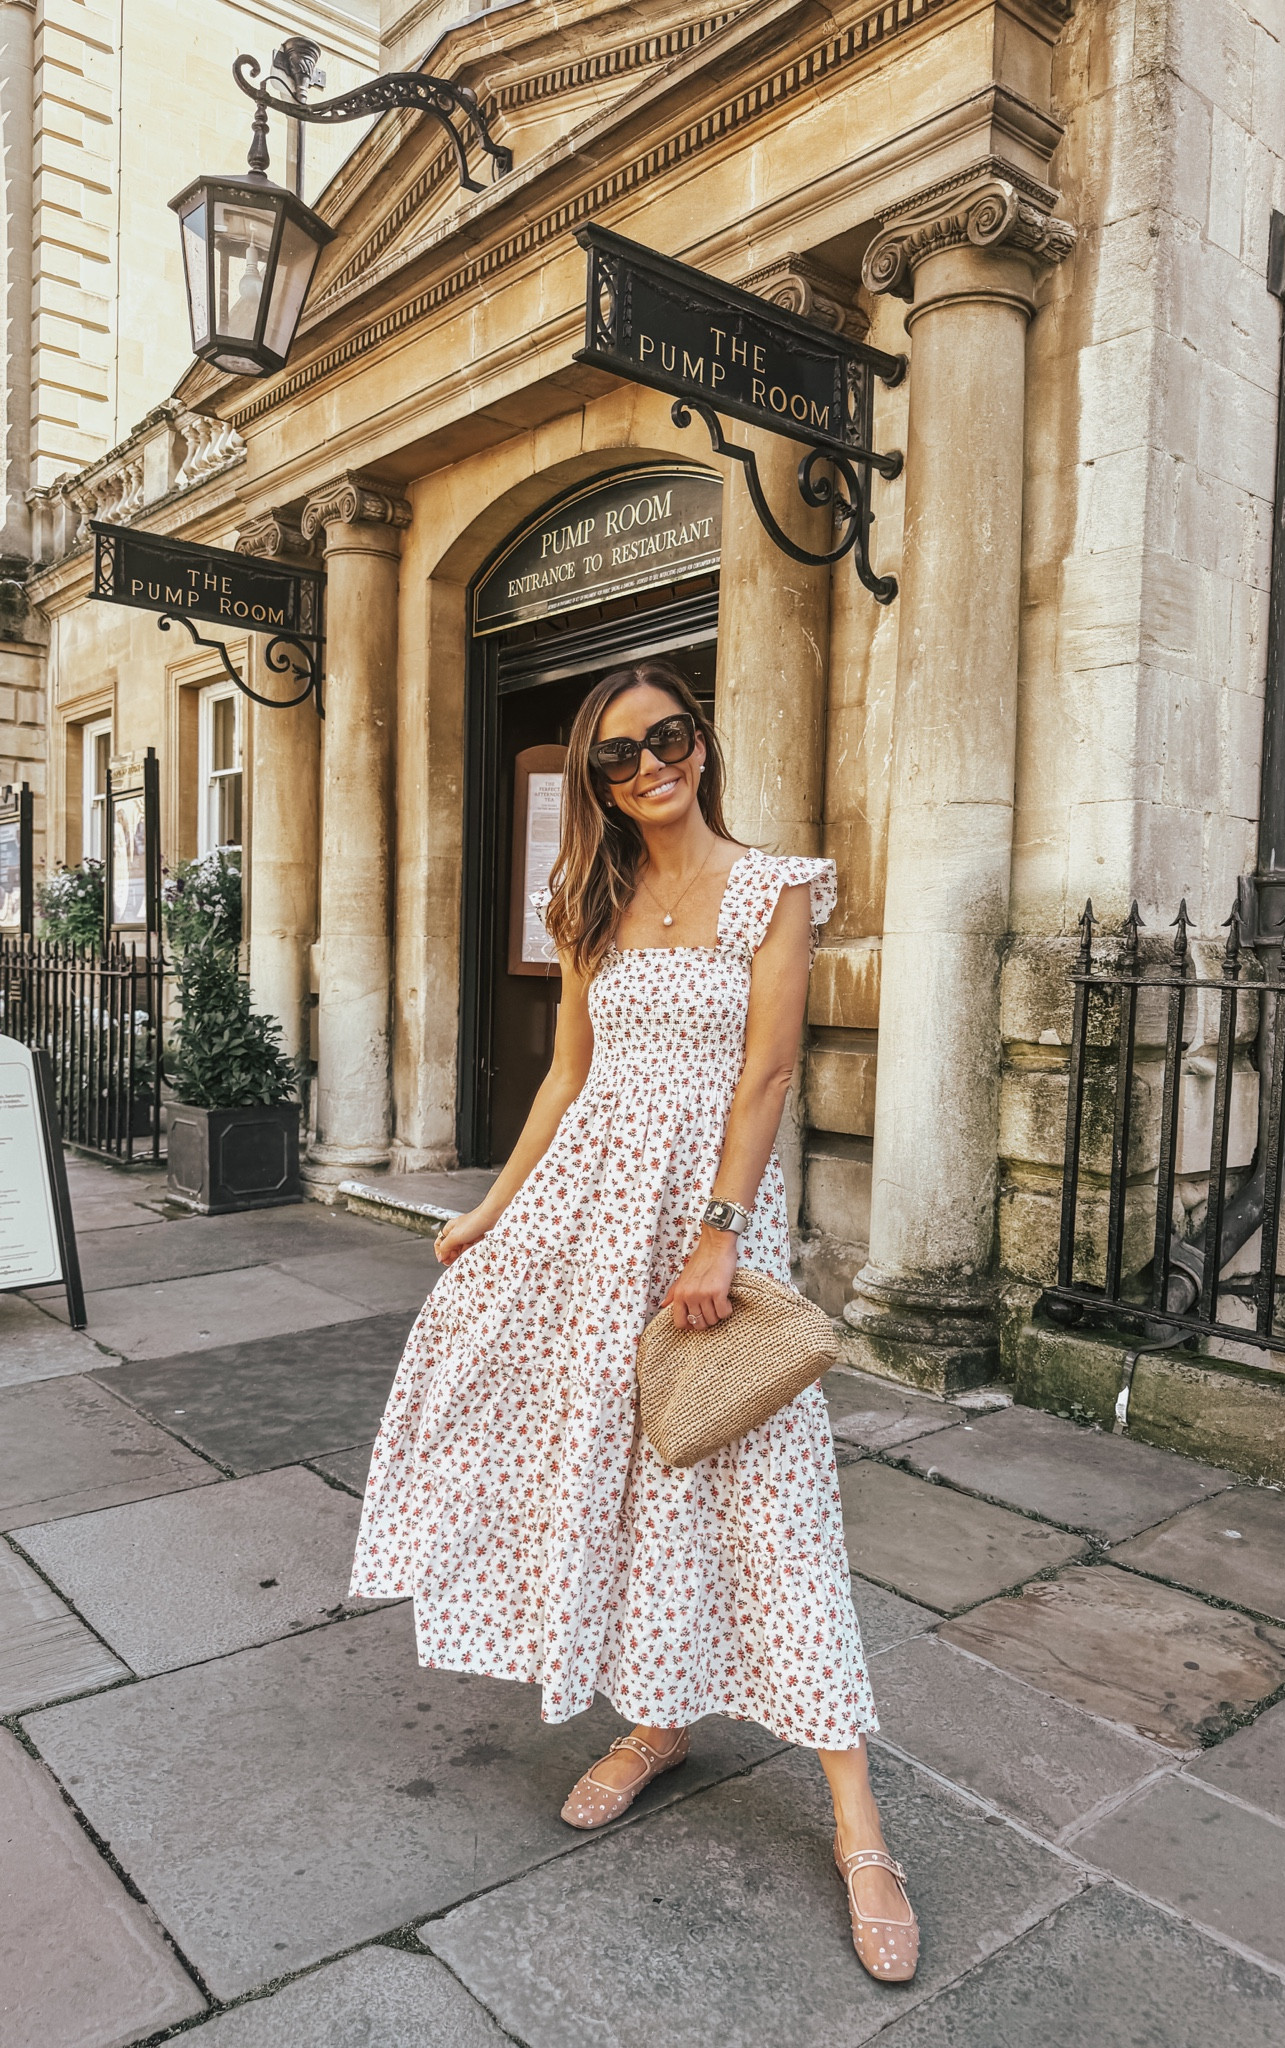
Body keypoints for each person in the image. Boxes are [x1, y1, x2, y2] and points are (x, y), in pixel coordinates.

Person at [350, 658, 918, 1983]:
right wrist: (494, 1207)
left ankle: (858, 1825)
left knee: (768, 1499)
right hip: (587, 1220)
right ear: (596, 778)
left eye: (667, 738)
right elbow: (566, 1074)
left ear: (702, 743)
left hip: (709, 1223)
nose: (650, 764)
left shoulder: (773, 887)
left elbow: (771, 1068)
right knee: (600, 1469)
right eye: (618, 754)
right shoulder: (590, 898)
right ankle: (656, 1722)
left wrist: (721, 1232)